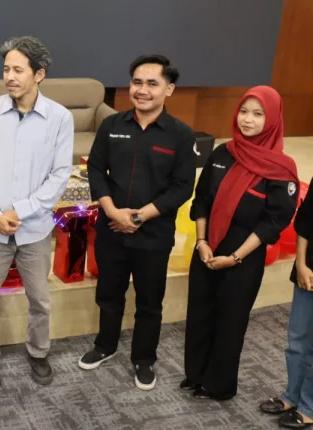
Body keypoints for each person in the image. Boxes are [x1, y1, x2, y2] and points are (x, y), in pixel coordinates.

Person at [81, 54, 196, 390]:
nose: (142, 90)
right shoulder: (111, 125)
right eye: (137, 82)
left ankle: (144, 359)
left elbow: (182, 187)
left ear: (169, 89)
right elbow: (95, 170)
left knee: (149, 301)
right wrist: (112, 211)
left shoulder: (181, 135)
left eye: (152, 83)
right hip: (111, 228)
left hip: (154, 233)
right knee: (108, 293)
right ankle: (105, 345)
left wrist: (139, 216)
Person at [183, 86, 298, 401]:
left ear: (272, 119)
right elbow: (201, 200)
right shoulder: (223, 153)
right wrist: (201, 242)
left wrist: (234, 257)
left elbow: (273, 222)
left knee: (230, 322)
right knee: (199, 315)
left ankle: (218, 385)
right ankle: (195, 375)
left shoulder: (281, 169)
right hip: (207, 249)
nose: (248, 119)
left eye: (258, 114)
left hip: (243, 257)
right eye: (244, 112)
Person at [0, 36, 73, 389]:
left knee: (40, 300)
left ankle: (38, 352)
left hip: (35, 230)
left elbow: (60, 175)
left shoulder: (59, 118)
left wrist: (21, 210)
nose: (9, 77)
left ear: (39, 74)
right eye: (5, 69)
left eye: (18, 70)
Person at [259, 185, 313, 428]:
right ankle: (292, 397)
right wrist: (301, 263)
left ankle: (309, 407)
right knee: (297, 340)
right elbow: (305, 221)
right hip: (308, 270)